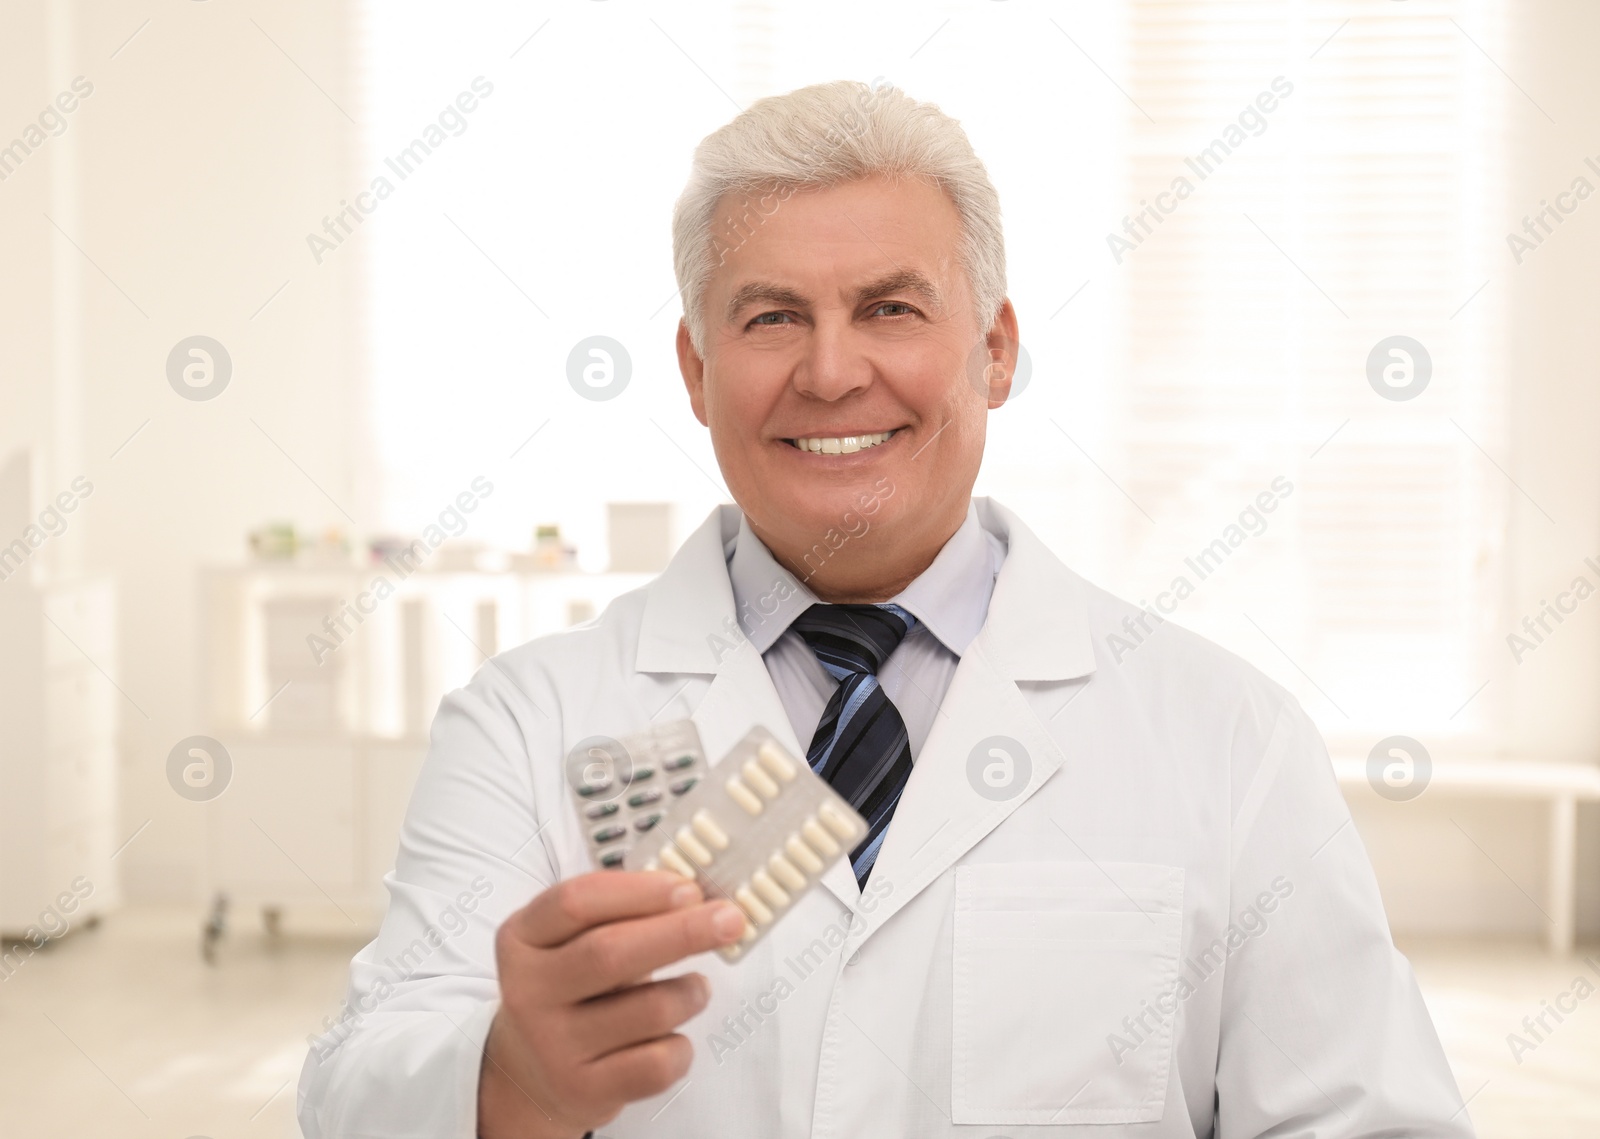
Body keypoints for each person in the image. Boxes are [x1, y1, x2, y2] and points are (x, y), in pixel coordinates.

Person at [298, 80, 1474, 1138]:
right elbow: (357, 1083)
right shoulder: (525, 722)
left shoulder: (1226, 735)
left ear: (995, 351)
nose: (828, 371)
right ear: (696, 371)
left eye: (891, 310)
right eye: (769, 317)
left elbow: (1364, 1115)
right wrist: (507, 1084)